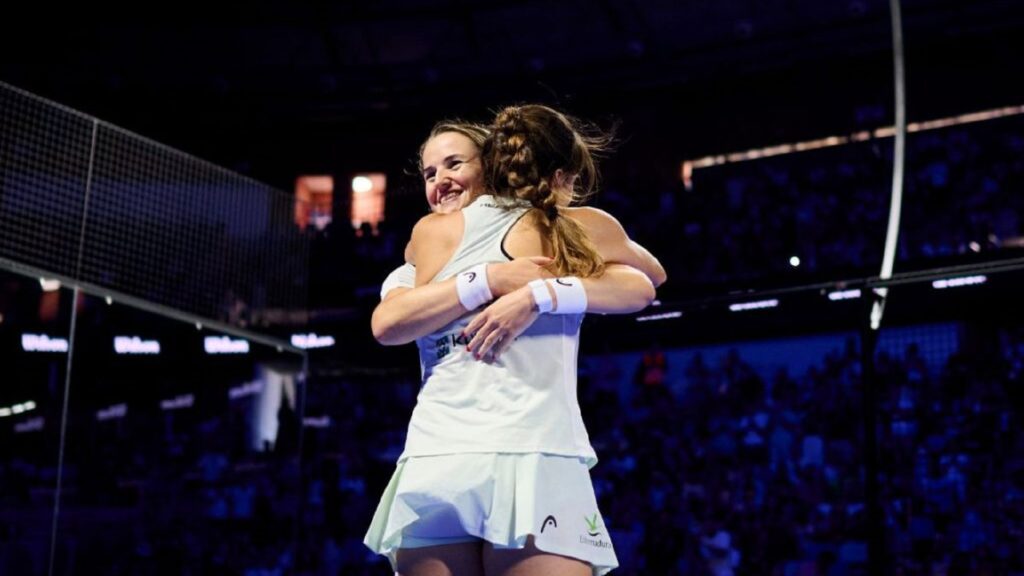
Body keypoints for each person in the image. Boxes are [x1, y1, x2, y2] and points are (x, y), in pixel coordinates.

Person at [365, 107, 666, 576]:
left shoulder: (441, 238)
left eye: (453, 164)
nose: (439, 180)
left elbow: (642, 285)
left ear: (494, 164)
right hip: (517, 453)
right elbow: (650, 277)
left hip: (456, 458)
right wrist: (493, 278)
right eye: (429, 172)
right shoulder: (561, 229)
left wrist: (536, 294)